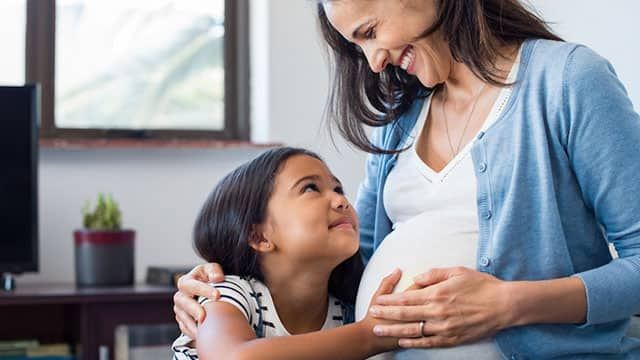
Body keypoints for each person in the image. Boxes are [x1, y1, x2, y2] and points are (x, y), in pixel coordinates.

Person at [173, 0, 640, 358]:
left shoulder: (567, 81)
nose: (374, 61)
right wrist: (225, 287)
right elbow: (353, 269)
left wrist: (510, 304)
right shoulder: (398, 121)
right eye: (358, 46)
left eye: (371, 31)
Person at [171, 147, 403, 360]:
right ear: (259, 237)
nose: (341, 200)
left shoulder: (345, 312)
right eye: (310, 188)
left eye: (338, 189)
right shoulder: (228, 295)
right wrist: (370, 335)